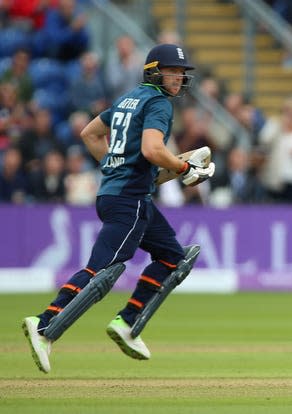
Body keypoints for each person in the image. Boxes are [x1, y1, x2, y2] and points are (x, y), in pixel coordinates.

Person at [21, 43, 215, 374]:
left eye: (183, 72)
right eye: (174, 70)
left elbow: (90, 134)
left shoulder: (130, 98)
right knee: (103, 269)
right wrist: (184, 170)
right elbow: (153, 150)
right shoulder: (158, 103)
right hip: (130, 198)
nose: (180, 77)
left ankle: (127, 322)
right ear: (155, 70)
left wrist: (116, 166)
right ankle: (44, 323)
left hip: (118, 193)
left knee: (174, 258)